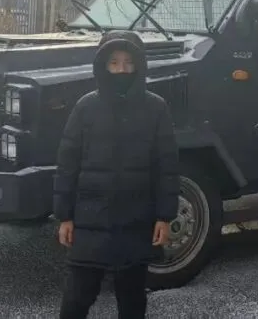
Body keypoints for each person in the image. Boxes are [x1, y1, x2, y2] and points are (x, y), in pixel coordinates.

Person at [54, 30, 180, 319]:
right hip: (89, 221)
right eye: (113, 62)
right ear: (103, 66)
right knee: (76, 299)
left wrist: (164, 216)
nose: (121, 69)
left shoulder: (156, 108)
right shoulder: (86, 107)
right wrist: (65, 217)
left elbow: (166, 167)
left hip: (136, 222)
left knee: (132, 299)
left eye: (128, 62)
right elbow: (67, 164)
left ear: (139, 65)